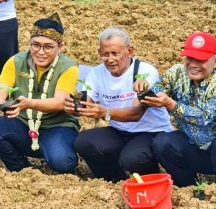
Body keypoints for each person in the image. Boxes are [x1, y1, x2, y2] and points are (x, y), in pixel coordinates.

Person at [65, 27, 173, 182]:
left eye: (115, 53)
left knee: (132, 159)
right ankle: (114, 179)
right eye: (105, 54)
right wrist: (75, 108)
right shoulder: (96, 73)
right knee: (84, 142)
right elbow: (86, 101)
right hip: (120, 130)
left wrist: (104, 112)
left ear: (129, 51)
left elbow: (136, 113)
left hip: (150, 132)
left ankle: (153, 179)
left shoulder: (144, 72)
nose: (109, 59)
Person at [0, 13, 80, 174]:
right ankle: (21, 168)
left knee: (62, 162)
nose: (40, 52)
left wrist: (29, 103)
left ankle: (59, 153)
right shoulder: (16, 61)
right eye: (35, 45)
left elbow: (60, 102)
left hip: (57, 126)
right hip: (23, 125)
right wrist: (1, 104)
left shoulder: (68, 67)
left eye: (48, 46)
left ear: (60, 47)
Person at [135, 32, 216, 187]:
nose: (193, 64)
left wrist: (172, 105)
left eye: (201, 60)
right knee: (162, 143)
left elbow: (205, 118)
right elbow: (157, 91)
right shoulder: (177, 72)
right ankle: (189, 187)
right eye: (189, 58)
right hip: (191, 144)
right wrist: (143, 88)